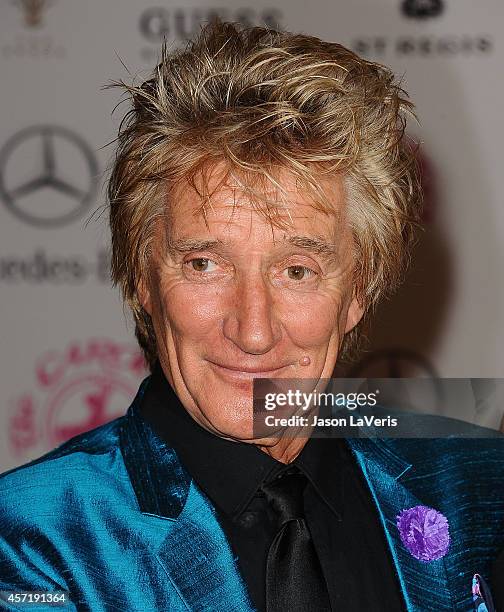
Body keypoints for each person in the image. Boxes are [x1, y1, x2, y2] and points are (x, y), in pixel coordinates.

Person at [1, 19, 503, 612]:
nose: (253, 330)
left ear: (358, 292)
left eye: (297, 271)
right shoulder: (35, 534)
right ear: (142, 276)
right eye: (204, 264)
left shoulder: (474, 485)